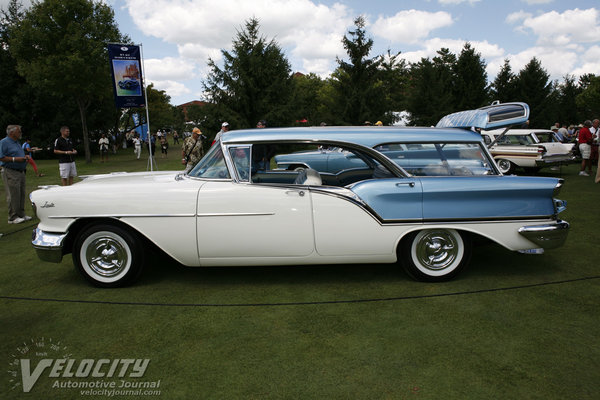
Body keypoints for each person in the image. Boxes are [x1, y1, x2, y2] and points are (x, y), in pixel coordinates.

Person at [0, 125, 32, 224]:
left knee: (21, 193)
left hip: (20, 171)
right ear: (11, 133)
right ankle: (12, 217)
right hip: (10, 171)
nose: (20, 133)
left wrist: (24, 156)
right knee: (13, 194)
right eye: (18, 131)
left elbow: (18, 154)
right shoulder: (4, 142)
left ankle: (21, 214)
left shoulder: (17, 142)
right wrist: (15, 159)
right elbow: (1, 157)